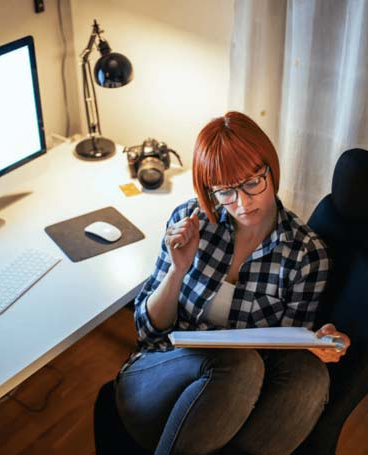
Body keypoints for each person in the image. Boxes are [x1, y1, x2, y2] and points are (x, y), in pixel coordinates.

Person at [115, 111, 352, 455]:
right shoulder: (190, 220)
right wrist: (177, 270)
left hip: (227, 406)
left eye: (253, 183)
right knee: (238, 363)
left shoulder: (306, 255)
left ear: (271, 169)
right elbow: (147, 332)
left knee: (309, 374)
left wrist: (317, 341)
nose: (242, 203)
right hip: (157, 381)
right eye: (225, 191)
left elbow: (283, 356)